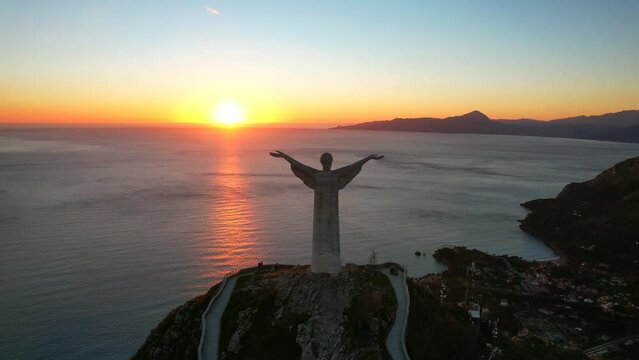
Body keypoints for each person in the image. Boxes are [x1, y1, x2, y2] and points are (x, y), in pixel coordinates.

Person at [270, 151, 383, 274]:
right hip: (319, 212)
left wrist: (369, 158)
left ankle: (331, 266)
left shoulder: (336, 175)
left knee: (332, 238)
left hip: (333, 212)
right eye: (325, 162)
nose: (327, 164)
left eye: (329, 162)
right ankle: (320, 266)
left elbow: (353, 167)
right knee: (320, 237)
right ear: (322, 163)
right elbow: (300, 166)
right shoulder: (316, 175)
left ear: (331, 162)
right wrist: (285, 156)